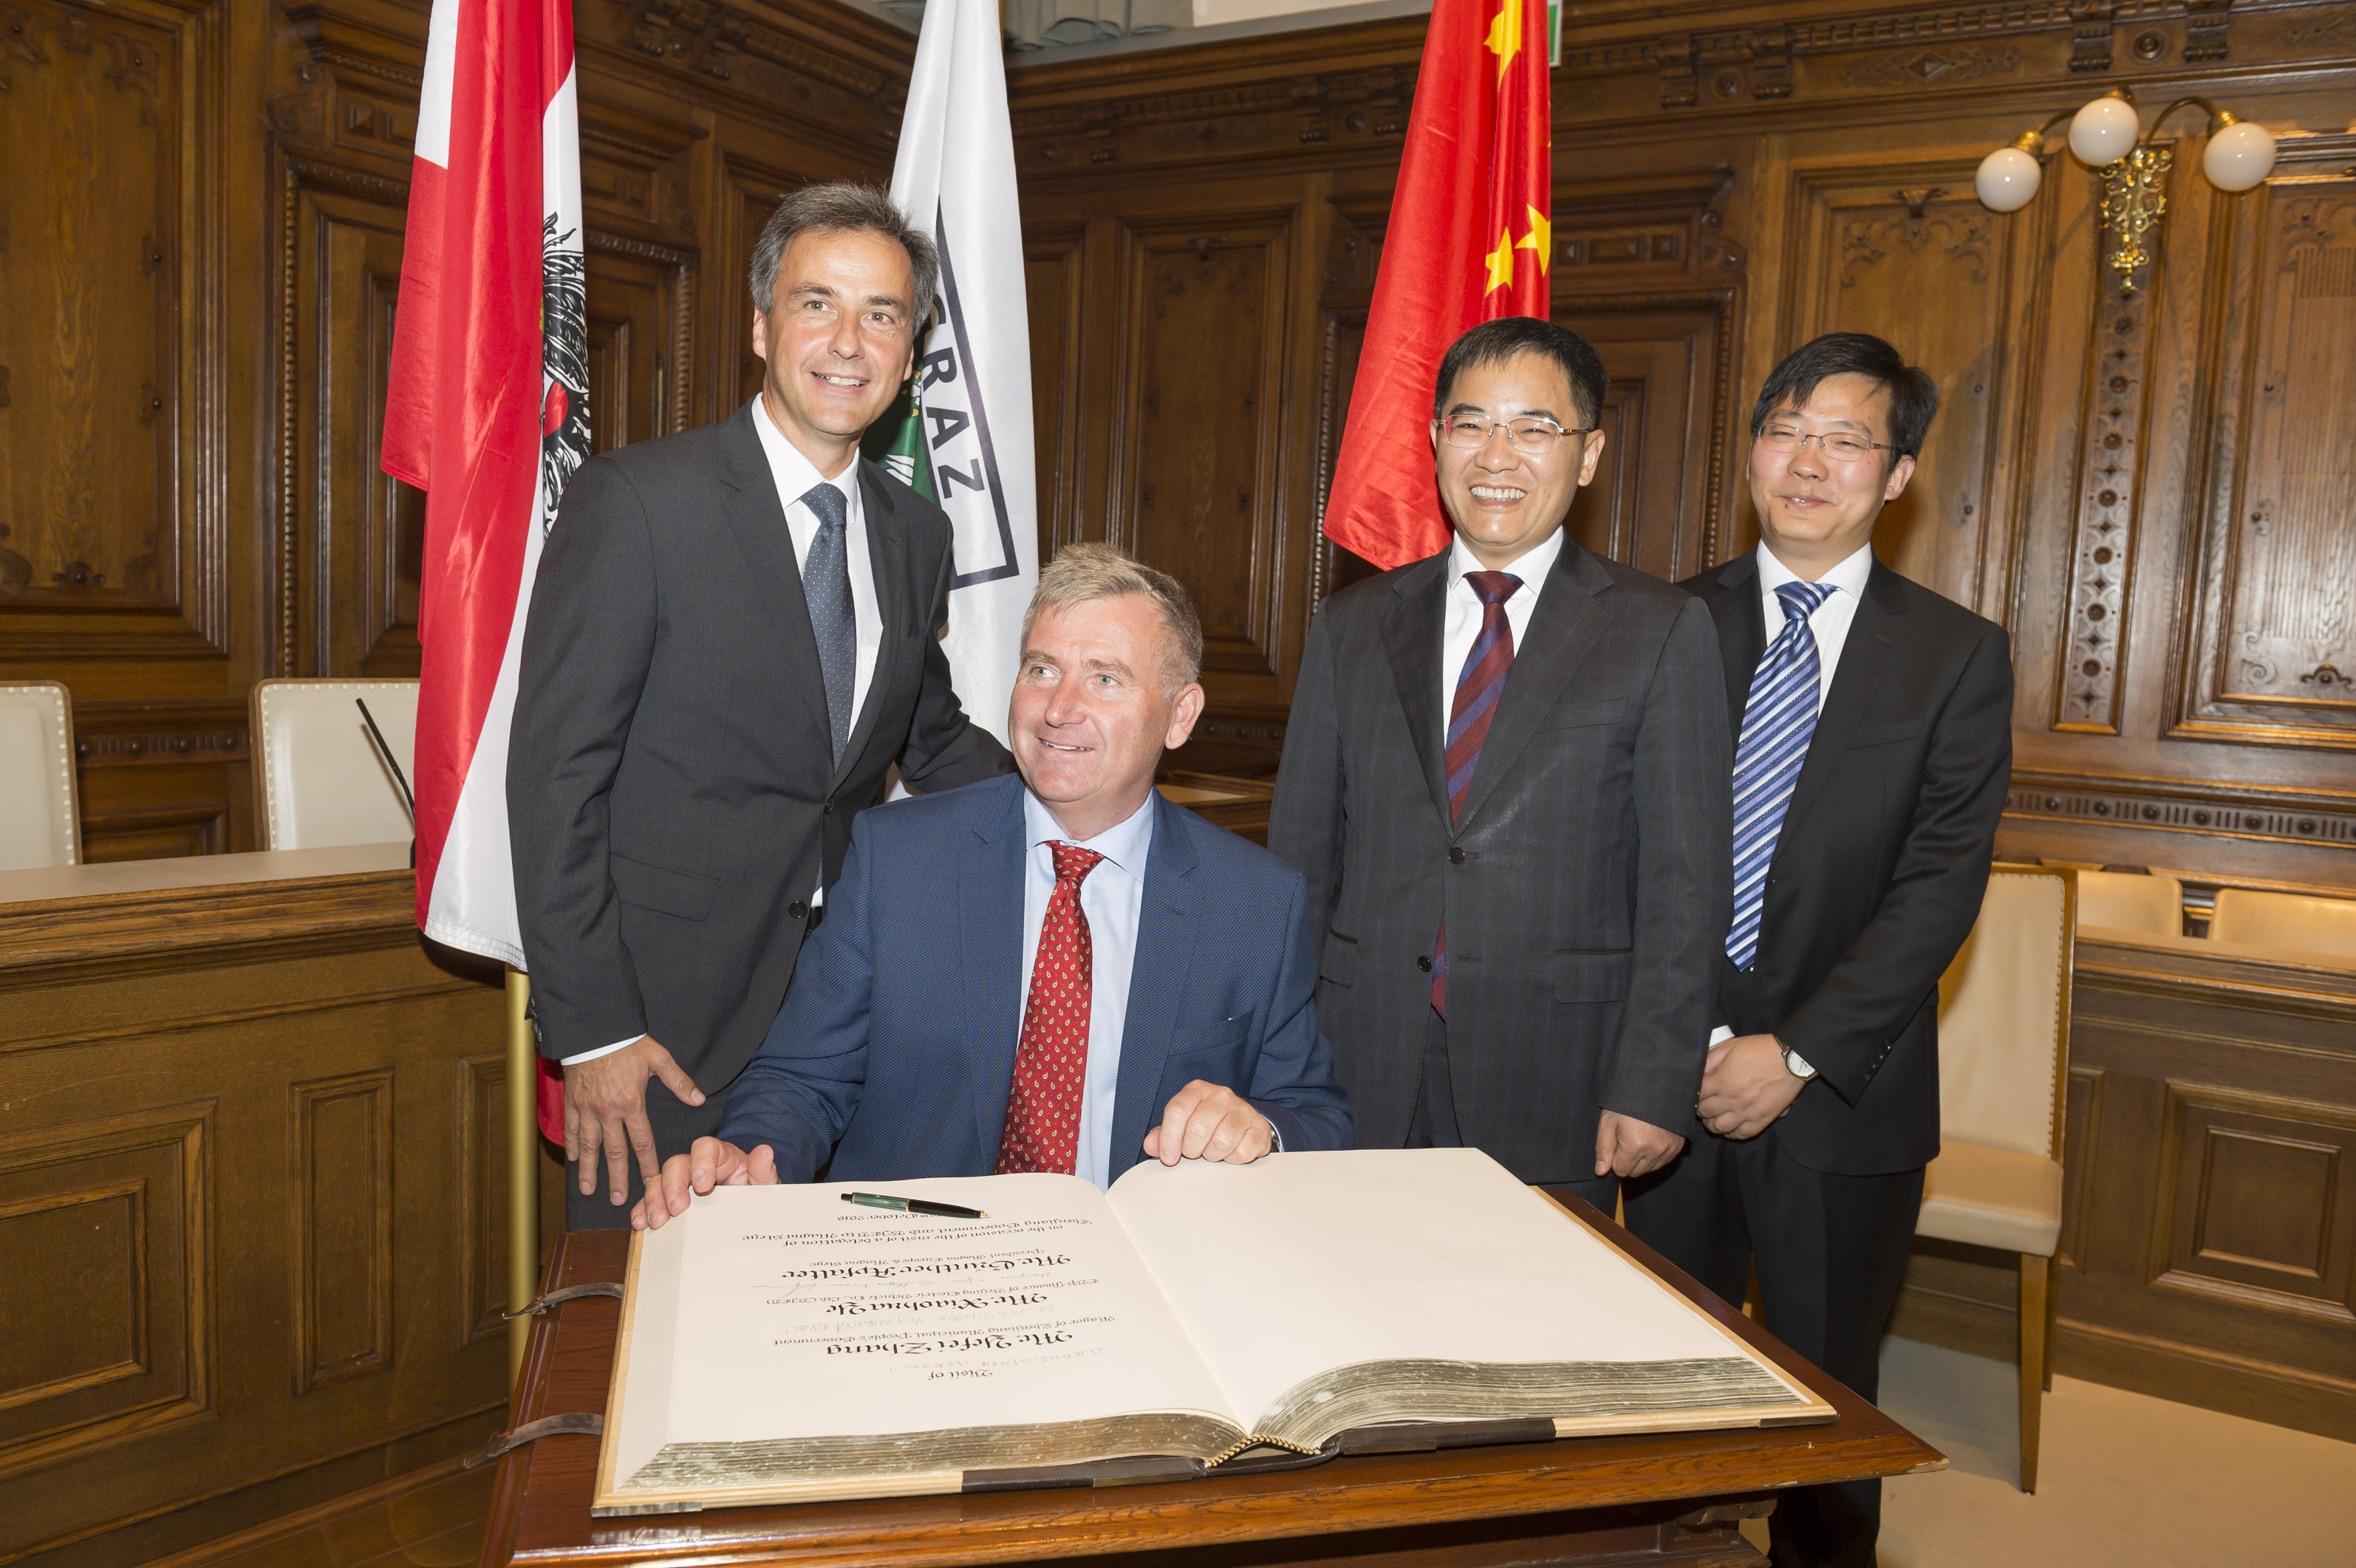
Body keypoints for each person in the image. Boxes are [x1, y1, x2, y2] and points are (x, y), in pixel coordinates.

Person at [510, 183, 1013, 1230]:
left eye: (881, 314)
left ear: (908, 351)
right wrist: (595, 1032)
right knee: (645, 1340)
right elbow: (556, 782)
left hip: (839, 1020)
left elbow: (928, 738)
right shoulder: (639, 503)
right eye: (816, 303)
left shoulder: (915, 532)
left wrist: (1089, 793)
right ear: (759, 324)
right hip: (663, 1033)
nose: (848, 340)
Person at [633, 545, 1351, 1221]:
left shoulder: (1255, 900)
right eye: (1041, 669)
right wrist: (752, 1152)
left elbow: (1315, 1113)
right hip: (922, 1269)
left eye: (1105, 677)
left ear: (1180, 715)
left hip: (1144, 1276)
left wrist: (1260, 1126)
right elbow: (801, 1077)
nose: (1059, 707)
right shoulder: (900, 857)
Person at [1622, 332, 2013, 1568]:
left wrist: (1789, 1050)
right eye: (1784, 428)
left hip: (1843, 1094)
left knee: (1829, 1406)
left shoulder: (1954, 655)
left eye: (1844, 437)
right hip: (1660, 1078)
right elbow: (1616, 852)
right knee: (1650, 1380)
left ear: (1894, 474)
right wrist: (1678, 1035)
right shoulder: (1656, 623)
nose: (1807, 460)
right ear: (1750, 452)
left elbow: (1934, 889)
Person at [1267, 315, 1731, 1211]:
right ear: (1437, 439)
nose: (1497, 455)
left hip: (1558, 1070)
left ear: (1588, 454)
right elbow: (1302, 860)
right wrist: (1280, 1056)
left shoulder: (1661, 627)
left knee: (1526, 1343)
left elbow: (1687, 880)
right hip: (1358, 1053)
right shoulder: (1354, 624)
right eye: (1471, 423)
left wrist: (1654, 1078)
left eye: (1534, 428)